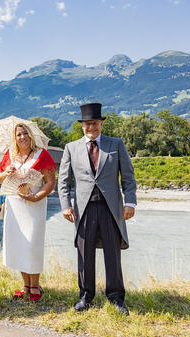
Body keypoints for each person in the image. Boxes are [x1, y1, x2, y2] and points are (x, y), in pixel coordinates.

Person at [58, 103, 137, 315]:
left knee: (113, 254)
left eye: (94, 123)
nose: (90, 127)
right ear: (82, 126)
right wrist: (65, 205)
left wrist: (130, 202)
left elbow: (128, 177)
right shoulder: (70, 148)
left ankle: (116, 297)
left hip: (111, 209)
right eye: (87, 124)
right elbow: (63, 181)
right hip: (83, 210)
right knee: (84, 254)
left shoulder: (116, 144)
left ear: (101, 124)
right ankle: (85, 296)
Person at [0, 123, 56, 301]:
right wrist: (6, 172)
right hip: (14, 205)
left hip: (34, 204)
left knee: (32, 243)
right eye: (19, 134)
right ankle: (26, 285)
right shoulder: (10, 155)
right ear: (15, 137)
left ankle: (36, 286)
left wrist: (37, 197)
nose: (22, 137)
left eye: (25, 133)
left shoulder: (42, 154)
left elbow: (50, 182)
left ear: (31, 135)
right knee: (19, 243)